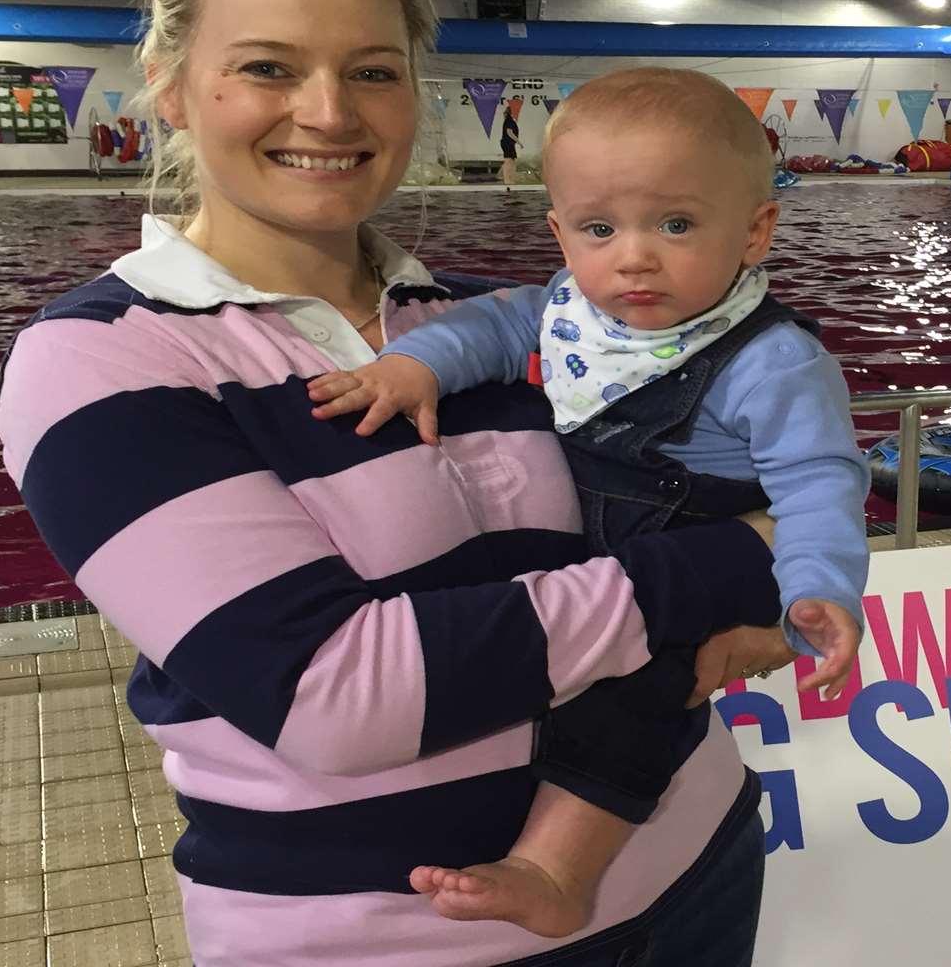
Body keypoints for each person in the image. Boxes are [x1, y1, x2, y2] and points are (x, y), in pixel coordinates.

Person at [0, 0, 794, 966]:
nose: (327, 113)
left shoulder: (508, 321)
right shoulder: (104, 359)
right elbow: (334, 696)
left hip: (696, 857)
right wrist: (740, 564)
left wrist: (782, 563)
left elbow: (729, 476)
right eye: (270, 68)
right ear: (173, 85)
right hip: (386, 940)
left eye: (372, 71)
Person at [307, 67, 869, 938]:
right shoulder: (569, 309)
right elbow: (490, 327)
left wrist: (817, 588)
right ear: (559, 232)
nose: (634, 256)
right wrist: (414, 367)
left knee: (637, 699)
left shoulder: (773, 361)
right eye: (600, 229)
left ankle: (557, 867)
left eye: (676, 225)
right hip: (608, 553)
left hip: (705, 553)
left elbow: (821, 482)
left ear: (755, 231)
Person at [500, 105, 521, 186]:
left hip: (508, 143)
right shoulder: (509, 121)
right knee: (508, 161)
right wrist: (519, 142)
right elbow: (509, 133)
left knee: (512, 161)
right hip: (507, 143)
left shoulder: (509, 120)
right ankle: (508, 180)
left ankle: (511, 179)